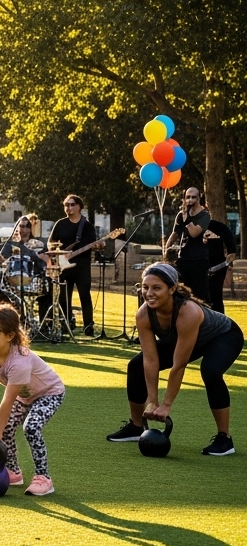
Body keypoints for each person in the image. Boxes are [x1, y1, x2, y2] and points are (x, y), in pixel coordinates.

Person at [106, 263, 243, 456]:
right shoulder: (144, 314)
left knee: (211, 371)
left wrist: (166, 405)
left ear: (172, 289)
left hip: (223, 336)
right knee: (136, 365)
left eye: (156, 288)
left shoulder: (188, 312)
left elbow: (179, 366)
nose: (149, 293)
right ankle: (136, 426)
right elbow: (151, 360)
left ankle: (224, 438)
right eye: (145, 287)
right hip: (184, 338)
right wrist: (152, 402)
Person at [0, 302, 65, 496]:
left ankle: (44, 478)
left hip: (49, 393)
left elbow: (7, 399)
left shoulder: (20, 362)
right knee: (6, 427)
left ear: (9, 336)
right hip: (25, 396)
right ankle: (13, 472)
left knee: (31, 427)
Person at [45, 194, 103, 336]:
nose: (69, 208)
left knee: (85, 294)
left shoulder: (87, 226)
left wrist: (99, 246)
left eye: (72, 205)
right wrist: (57, 253)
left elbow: (93, 245)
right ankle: (66, 323)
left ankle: (88, 325)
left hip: (82, 266)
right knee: (64, 296)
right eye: (66, 205)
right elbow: (50, 243)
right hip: (64, 265)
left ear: (79, 207)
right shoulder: (60, 224)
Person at [165, 187, 211, 320]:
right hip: (183, 258)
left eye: (193, 197)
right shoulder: (181, 215)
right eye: (188, 197)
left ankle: (205, 321)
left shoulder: (204, 215)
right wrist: (166, 248)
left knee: (200, 293)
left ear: (199, 198)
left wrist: (187, 218)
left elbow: (194, 232)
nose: (190, 200)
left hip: (199, 259)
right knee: (179, 291)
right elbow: (175, 233)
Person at [203, 197, 237, 314]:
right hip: (197, 268)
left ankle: (220, 325)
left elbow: (232, 251)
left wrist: (226, 265)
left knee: (215, 297)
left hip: (216, 269)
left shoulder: (218, 227)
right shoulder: (188, 228)